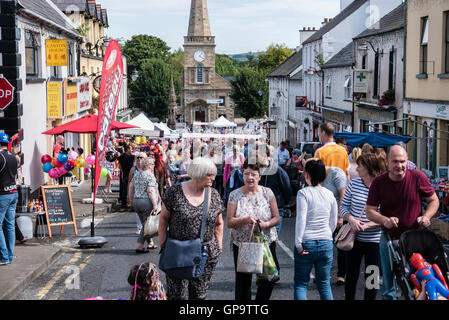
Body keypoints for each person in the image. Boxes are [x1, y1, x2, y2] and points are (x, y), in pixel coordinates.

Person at [365, 144, 439, 300]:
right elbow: (369, 211)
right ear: (387, 162)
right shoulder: (379, 182)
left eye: (402, 161)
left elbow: (434, 201)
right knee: (388, 286)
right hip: (389, 239)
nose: (399, 165)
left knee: (417, 281)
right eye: (395, 162)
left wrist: (426, 217)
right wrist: (385, 220)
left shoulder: (418, 177)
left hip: (415, 239)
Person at [159, 157, 224, 300]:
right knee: (176, 296)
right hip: (177, 252)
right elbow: (163, 218)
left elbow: (219, 223)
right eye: (209, 175)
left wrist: (218, 246)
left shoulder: (213, 194)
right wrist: (163, 244)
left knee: (199, 296)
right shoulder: (174, 192)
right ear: (198, 174)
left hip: (205, 253)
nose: (213, 178)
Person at [227, 160, 280, 300]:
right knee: (243, 283)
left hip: (266, 243)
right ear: (242, 176)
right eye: (246, 174)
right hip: (242, 244)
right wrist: (244, 220)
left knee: (269, 278)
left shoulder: (267, 193)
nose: (250, 177)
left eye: (253, 174)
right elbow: (229, 222)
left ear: (259, 177)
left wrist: (265, 224)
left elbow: (276, 218)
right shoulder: (235, 195)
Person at [340, 153, 385, 300]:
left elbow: (386, 216)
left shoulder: (382, 187)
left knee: (371, 278)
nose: (357, 168)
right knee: (351, 275)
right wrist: (351, 220)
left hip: (374, 241)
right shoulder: (354, 183)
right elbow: (344, 207)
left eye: (360, 165)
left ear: (368, 167)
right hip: (354, 239)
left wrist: (367, 225)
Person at [294, 159, 338, 300]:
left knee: (301, 284)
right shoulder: (329, 194)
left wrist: (298, 243)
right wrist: (327, 234)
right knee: (324, 284)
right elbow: (333, 221)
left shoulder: (303, 193)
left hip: (307, 241)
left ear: (306, 175)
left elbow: (301, 219)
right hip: (326, 242)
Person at [321, 164, 347, 286]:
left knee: (341, 245)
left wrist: (339, 216)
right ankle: (324, 274)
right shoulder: (318, 175)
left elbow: (343, 195)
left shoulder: (336, 174)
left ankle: (341, 275)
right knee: (325, 244)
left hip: (338, 214)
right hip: (325, 215)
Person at [128, 157, 160, 252]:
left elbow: (131, 187)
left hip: (136, 201)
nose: (154, 166)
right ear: (149, 165)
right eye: (153, 164)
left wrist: (131, 199)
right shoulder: (150, 176)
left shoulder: (137, 175)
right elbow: (150, 190)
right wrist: (155, 204)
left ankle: (150, 243)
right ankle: (139, 245)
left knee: (145, 223)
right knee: (146, 224)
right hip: (146, 202)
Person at [0, 133, 18, 265]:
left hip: (3, 195)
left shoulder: (0, 157)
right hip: (13, 193)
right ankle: (9, 257)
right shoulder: (14, 157)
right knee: (10, 226)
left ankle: (4, 257)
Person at [128, 152, 148, 235]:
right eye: (138, 157)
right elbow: (129, 182)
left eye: (141, 157)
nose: (139, 159)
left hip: (147, 193)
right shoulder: (133, 169)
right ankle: (140, 228)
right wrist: (129, 196)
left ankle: (146, 227)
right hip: (137, 193)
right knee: (138, 212)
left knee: (147, 212)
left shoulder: (148, 168)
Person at [117, 145, 135, 212]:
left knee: (124, 190)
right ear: (127, 149)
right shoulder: (131, 157)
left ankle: (124, 205)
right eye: (130, 148)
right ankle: (130, 205)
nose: (132, 150)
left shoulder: (121, 156)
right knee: (130, 190)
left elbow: (120, 166)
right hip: (130, 175)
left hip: (125, 174)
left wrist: (122, 172)